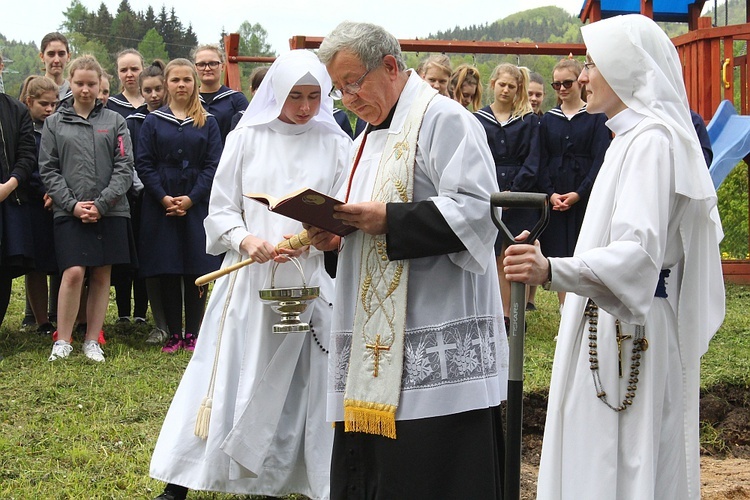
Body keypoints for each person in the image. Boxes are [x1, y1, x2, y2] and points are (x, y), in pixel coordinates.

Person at [503, 14, 725, 499]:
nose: (582, 78)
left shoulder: (650, 142)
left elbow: (638, 256)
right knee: (603, 453)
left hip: (630, 328)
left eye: (591, 65)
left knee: (621, 458)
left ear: (626, 69)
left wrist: (551, 270)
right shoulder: (628, 137)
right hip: (611, 320)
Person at [312, 21, 507, 499]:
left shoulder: (445, 120)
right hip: (372, 341)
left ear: (391, 66)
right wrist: (334, 237)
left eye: (353, 82)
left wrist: (391, 220)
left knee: (430, 471)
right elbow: (360, 220)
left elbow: (478, 212)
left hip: (432, 325)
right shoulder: (363, 140)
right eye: (340, 89)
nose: (349, 97)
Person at [150, 48, 352, 500]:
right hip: (251, 280)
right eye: (295, 95)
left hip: (310, 280)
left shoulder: (338, 143)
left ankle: (306, 478)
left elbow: (346, 215)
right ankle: (184, 479)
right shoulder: (246, 139)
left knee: (308, 382)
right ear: (276, 93)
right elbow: (220, 210)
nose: (304, 107)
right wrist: (247, 240)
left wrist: (332, 238)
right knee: (227, 373)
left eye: (314, 96)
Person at [39, 55, 134, 362]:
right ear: (69, 82)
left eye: (91, 84)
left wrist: (103, 204)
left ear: (100, 85)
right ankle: (63, 340)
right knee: (73, 272)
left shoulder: (115, 121)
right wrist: (72, 205)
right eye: (79, 83)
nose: (85, 89)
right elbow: (48, 170)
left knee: (101, 274)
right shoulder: (54, 123)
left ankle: (92, 339)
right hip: (70, 212)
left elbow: (124, 166)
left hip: (110, 211)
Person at [135, 58, 222, 353]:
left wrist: (192, 198)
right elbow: (143, 164)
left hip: (196, 203)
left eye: (187, 79)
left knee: (196, 266)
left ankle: (194, 333)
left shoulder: (208, 122)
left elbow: (213, 165)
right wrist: (163, 197)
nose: (181, 85)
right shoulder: (153, 121)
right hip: (161, 204)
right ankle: (174, 333)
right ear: (166, 85)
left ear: (195, 83)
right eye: (175, 80)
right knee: (169, 265)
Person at [532, 57, 611, 308]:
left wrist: (580, 193)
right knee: (559, 254)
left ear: (580, 82)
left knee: (585, 250)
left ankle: (585, 310)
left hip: (585, 196)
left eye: (567, 83)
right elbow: (540, 159)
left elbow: (601, 158)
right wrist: (551, 193)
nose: (562, 89)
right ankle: (566, 313)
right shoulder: (547, 121)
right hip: (555, 199)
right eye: (556, 85)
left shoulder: (596, 118)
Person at [475, 63, 540, 329]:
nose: (506, 90)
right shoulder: (478, 120)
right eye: (502, 84)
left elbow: (533, 159)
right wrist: (490, 189)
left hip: (520, 194)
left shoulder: (528, 121)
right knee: (490, 255)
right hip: (487, 191)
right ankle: (493, 313)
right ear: (492, 84)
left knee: (514, 254)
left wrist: (514, 192)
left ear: (518, 89)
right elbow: (475, 157)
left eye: (511, 86)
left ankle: (514, 313)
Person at [126, 60, 169, 344]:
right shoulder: (134, 121)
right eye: (148, 90)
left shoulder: (182, 118)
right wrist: (152, 191)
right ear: (141, 92)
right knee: (153, 261)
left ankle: (184, 323)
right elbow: (132, 162)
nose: (153, 95)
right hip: (147, 199)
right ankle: (160, 323)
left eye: (158, 89)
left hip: (181, 201)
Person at [20, 75, 59, 335]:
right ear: (29, 101)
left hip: (60, 202)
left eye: (53, 104)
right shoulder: (22, 129)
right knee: (35, 267)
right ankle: (41, 320)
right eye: (43, 104)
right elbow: (23, 166)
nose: (49, 109)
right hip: (33, 205)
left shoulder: (57, 128)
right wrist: (44, 191)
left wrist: (57, 192)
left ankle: (62, 314)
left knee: (60, 262)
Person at [0, 79, 36, 336]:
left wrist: (9, 185)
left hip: (6, 200)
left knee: (1, 271)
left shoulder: (16, 110)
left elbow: (27, 156)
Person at [192, 44, 249, 143]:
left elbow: (246, 136)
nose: (207, 68)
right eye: (201, 64)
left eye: (213, 63)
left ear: (222, 66)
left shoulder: (236, 100)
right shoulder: (188, 100)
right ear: (195, 68)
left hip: (227, 156)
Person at [107, 49, 145, 118]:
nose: (129, 74)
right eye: (123, 70)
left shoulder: (154, 102)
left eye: (134, 69)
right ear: (118, 74)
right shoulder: (110, 105)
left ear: (143, 70)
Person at [39, 32, 71, 101]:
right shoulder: (32, 89)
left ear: (68, 56)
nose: (56, 60)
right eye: (51, 54)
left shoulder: (75, 92)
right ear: (42, 57)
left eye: (61, 54)